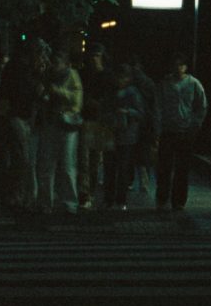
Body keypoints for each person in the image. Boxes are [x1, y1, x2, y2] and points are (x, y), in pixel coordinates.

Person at [0, 39, 48, 212]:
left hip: (20, 116)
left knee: (20, 159)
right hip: (17, 116)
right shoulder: (20, 69)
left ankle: (15, 196)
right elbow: (28, 92)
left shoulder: (18, 67)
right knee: (22, 159)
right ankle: (14, 197)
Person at [155, 53, 207, 212]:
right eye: (176, 64)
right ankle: (162, 198)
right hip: (168, 130)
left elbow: (202, 106)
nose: (179, 68)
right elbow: (158, 106)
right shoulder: (164, 84)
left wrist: (194, 125)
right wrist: (158, 127)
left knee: (182, 169)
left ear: (186, 67)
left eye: (181, 65)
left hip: (185, 132)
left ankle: (178, 201)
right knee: (164, 167)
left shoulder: (194, 84)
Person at [37, 48, 83, 214]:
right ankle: (46, 202)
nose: (53, 66)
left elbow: (76, 99)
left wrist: (56, 91)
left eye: (56, 63)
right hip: (51, 122)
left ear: (65, 64)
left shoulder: (71, 76)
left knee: (67, 164)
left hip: (66, 123)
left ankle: (69, 202)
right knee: (47, 165)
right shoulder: (47, 76)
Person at [102, 65, 145, 211]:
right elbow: (103, 110)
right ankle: (109, 199)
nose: (120, 80)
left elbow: (140, 113)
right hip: (112, 134)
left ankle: (121, 199)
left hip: (127, 136)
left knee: (123, 169)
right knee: (109, 169)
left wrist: (127, 112)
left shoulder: (133, 93)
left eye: (123, 77)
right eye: (119, 77)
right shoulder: (111, 92)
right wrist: (110, 116)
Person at [77, 44, 114, 210]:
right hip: (87, 120)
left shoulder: (107, 75)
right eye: (92, 55)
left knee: (94, 161)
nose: (94, 58)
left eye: (97, 55)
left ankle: (89, 192)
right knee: (84, 160)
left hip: (100, 121)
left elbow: (111, 97)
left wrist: (99, 104)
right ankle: (85, 194)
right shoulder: (85, 74)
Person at [126, 55, 159, 195]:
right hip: (146, 121)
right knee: (143, 154)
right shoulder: (148, 82)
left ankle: (129, 181)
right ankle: (143, 182)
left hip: (132, 120)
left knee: (131, 152)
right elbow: (154, 106)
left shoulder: (128, 82)